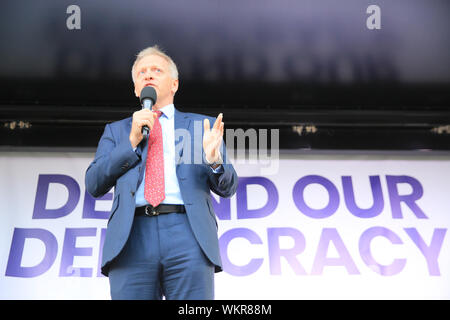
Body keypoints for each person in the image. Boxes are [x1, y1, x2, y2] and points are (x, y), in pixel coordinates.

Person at [85, 45, 238, 300]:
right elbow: (93, 183)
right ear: (136, 88)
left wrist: (215, 161)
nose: (148, 75)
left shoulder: (202, 127)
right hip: (131, 236)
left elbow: (228, 186)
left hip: (188, 233)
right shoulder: (117, 131)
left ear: (175, 84)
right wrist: (131, 142)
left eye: (156, 70)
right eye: (141, 73)